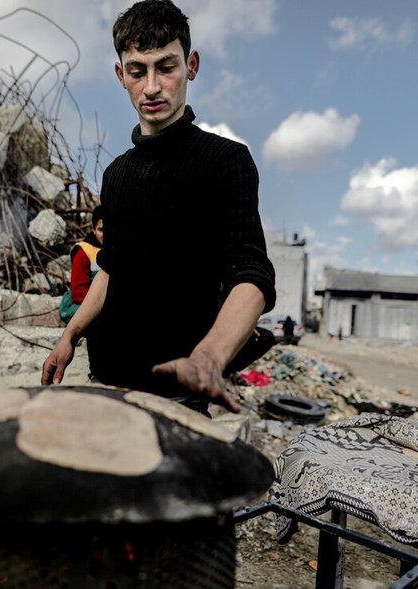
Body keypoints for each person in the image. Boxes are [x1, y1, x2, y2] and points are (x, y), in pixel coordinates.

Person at [41, 0, 276, 414]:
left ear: (192, 65)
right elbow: (111, 268)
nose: (152, 87)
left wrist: (209, 358)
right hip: (105, 380)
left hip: (176, 393)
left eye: (166, 67)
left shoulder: (225, 161)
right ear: (121, 75)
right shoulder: (115, 174)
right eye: (137, 71)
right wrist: (70, 335)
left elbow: (251, 275)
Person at [58, 206, 104, 323]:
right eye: (101, 230)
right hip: (82, 305)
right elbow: (78, 293)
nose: (106, 235)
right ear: (93, 229)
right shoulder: (84, 251)